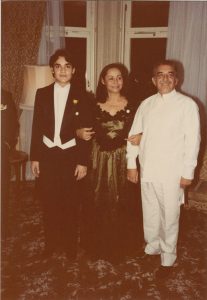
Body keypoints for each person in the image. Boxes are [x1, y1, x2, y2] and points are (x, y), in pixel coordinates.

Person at [126, 59, 200, 279]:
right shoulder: (146, 104)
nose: (165, 78)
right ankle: (153, 245)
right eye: (160, 74)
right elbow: (134, 136)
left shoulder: (187, 105)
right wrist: (132, 164)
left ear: (176, 79)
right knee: (150, 211)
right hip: (148, 169)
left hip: (172, 172)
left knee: (169, 215)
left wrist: (188, 173)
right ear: (153, 79)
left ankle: (168, 256)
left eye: (170, 75)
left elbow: (192, 141)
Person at [77, 63, 143, 263]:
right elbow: (75, 126)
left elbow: (147, 129)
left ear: (125, 80)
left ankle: (120, 246)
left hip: (124, 160)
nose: (115, 81)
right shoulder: (91, 104)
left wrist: (142, 136)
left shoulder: (136, 105)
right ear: (102, 81)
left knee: (121, 201)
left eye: (119, 77)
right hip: (98, 160)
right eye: (111, 77)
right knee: (97, 200)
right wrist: (77, 132)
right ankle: (96, 245)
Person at [30, 49, 92, 260]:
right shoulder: (42, 93)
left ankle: (69, 247)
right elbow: (36, 127)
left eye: (67, 66)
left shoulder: (83, 96)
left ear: (74, 70)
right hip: (47, 155)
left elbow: (86, 132)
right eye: (58, 66)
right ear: (52, 70)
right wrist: (35, 157)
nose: (63, 70)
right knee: (49, 203)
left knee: (70, 204)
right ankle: (51, 244)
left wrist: (83, 162)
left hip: (70, 156)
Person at [1, 89, 19, 239]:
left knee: (2, 191)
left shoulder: (5, 96)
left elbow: (14, 123)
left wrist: (7, 144)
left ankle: (2, 227)